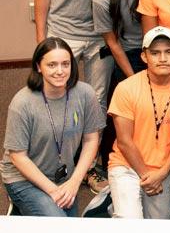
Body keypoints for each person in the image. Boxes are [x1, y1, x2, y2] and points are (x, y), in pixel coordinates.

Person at [33, 0, 125, 192]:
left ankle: (91, 166)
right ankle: (59, 162)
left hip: (101, 36)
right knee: (61, 97)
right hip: (63, 33)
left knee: (96, 103)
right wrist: (42, 40)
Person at [2, 38, 104, 216]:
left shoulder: (85, 94)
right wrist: (52, 190)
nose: (60, 71)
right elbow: (18, 157)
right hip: (23, 178)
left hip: (64, 178)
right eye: (52, 65)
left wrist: (75, 182)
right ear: (38, 67)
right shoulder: (22, 103)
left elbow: (91, 139)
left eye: (65, 64)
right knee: (58, 223)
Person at [106, 26, 170, 218]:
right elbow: (124, 141)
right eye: (155, 53)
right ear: (144, 57)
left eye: (168, 52)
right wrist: (147, 175)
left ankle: (120, 202)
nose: (162, 58)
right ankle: (118, 201)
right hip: (127, 166)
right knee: (131, 224)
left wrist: (161, 174)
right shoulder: (126, 88)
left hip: (162, 171)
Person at [93, 0, 164, 180]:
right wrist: (133, 78)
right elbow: (112, 42)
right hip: (126, 54)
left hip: (156, 45)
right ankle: (109, 162)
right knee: (122, 102)